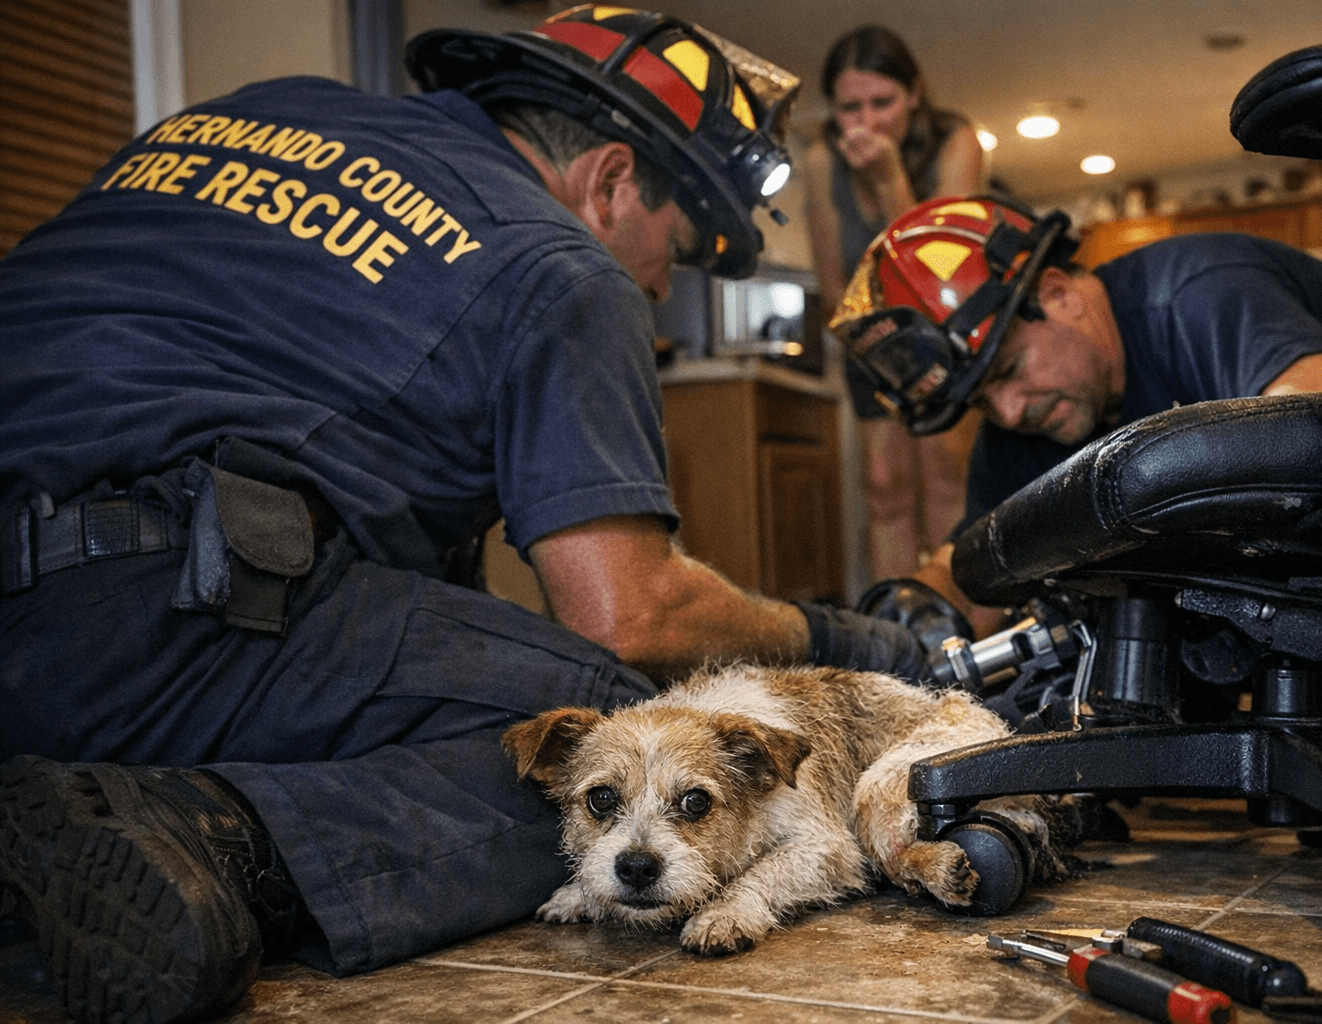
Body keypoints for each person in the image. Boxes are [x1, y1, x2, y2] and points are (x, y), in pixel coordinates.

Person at [0, 10, 933, 1024]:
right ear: (613, 180)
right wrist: (838, 631)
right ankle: (211, 836)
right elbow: (630, 615)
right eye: (678, 247)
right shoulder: (561, 263)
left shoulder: (258, 116)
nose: (663, 285)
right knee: (608, 725)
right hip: (128, 614)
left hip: (62, 588)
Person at [831, 194, 1322, 735]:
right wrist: (901, 627)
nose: (1010, 410)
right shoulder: (1029, 416)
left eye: (1010, 369)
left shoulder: (1198, 289)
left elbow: (1320, 440)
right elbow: (977, 564)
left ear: (1057, 294)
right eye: (985, 398)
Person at [803, 25, 986, 584]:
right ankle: (899, 626)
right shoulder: (820, 159)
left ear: (914, 94)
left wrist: (889, 182)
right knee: (883, 486)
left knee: (945, 472)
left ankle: (957, 610)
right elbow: (835, 285)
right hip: (870, 334)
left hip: (945, 329)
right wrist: (870, 353)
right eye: (849, 107)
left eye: (882, 102)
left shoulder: (957, 143)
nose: (867, 121)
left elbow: (936, 269)